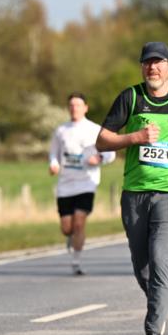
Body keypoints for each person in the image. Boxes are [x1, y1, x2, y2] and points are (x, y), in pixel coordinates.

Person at [96, 42, 168, 335]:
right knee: (142, 267)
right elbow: (102, 139)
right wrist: (133, 138)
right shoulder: (131, 97)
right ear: (142, 67)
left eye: (159, 63)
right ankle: (159, 307)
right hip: (134, 193)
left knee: (160, 257)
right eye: (148, 63)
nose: (153, 68)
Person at [49, 93, 116, 275]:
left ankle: (76, 261)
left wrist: (100, 157)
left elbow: (111, 152)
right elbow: (53, 153)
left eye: (78, 105)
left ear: (85, 108)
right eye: (71, 105)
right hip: (65, 185)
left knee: (79, 223)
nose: (74, 108)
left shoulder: (94, 130)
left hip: (87, 183)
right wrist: (53, 164)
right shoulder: (61, 130)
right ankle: (70, 238)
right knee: (66, 228)